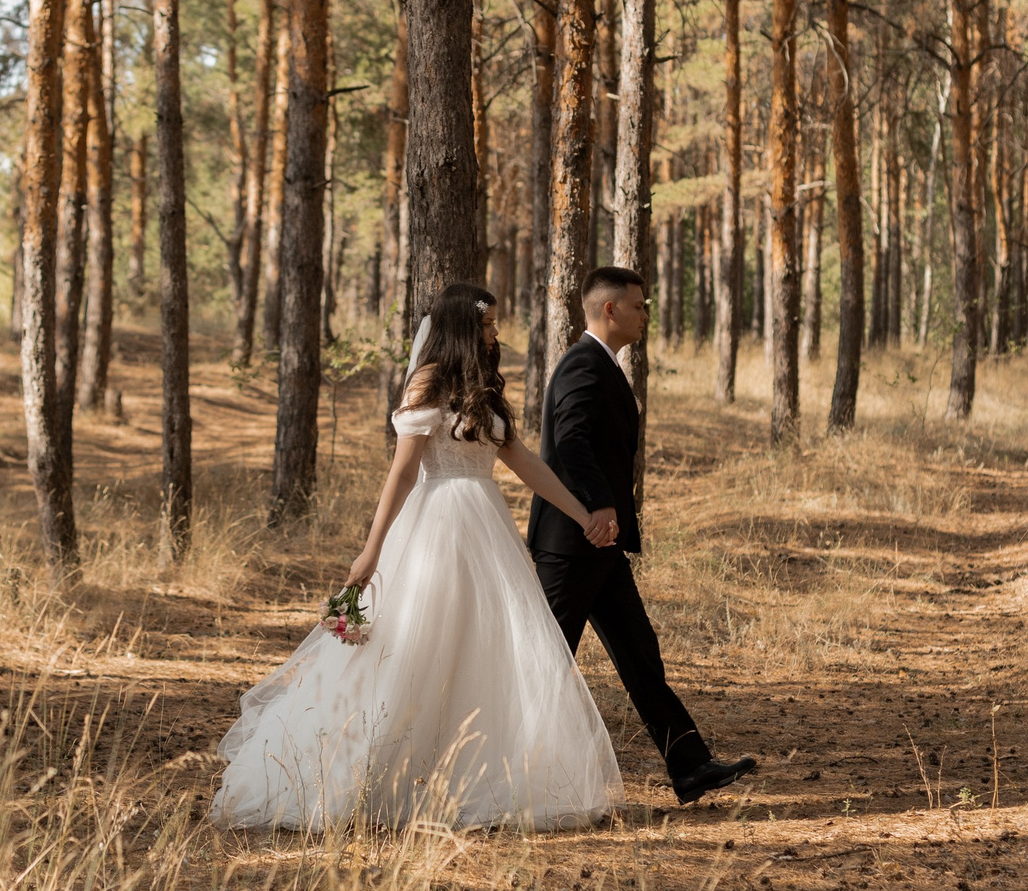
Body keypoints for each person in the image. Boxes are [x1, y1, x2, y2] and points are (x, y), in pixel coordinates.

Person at [210, 286, 625, 830]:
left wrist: (581, 512)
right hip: (438, 526)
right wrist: (371, 551)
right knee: (417, 647)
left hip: (487, 528)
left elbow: (525, 462)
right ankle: (379, 778)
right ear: (462, 328)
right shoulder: (428, 383)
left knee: (488, 647)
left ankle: (474, 774)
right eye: (488, 326)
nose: (495, 334)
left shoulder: (485, 390)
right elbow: (403, 472)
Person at [530, 265, 758, 804]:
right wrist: (602, 504)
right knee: (542, 657)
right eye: (638, 305)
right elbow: (572, 441)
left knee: (639, 653)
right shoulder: (583, 366)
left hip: (599, 545)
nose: (645, 314)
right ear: (610, 310)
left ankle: (690, 765)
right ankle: (500, 769)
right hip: (573, 543)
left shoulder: (601, 365)